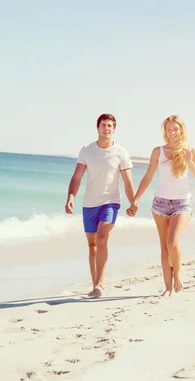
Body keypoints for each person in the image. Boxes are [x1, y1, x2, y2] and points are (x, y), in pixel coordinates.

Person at [126, 115, 195, 297]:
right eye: (169, 130)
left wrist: (190, 162)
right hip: (160, 203)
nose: (172, 133)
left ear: (181, 130)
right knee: (164, 246)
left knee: (173, 243)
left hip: (182, 204)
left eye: (175, 129)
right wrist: (135, 200)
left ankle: (177, 273)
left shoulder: (190, 151)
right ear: (165, 131)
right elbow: (148, 177)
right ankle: (168, 288)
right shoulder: (158, 152)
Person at [65, 113, 136, 298]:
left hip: (110, 202)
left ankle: (99, 285)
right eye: (104, 125)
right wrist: (71, 196)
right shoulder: (87, 150)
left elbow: (128, 182)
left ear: (114, 129)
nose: (107, 128)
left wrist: (133, 202)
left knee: (102, 237)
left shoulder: (120, 152)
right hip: (89, 203)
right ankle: (95, 283)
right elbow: (77, 177)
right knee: (92, 245)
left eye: (110, 126)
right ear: (98, 127)